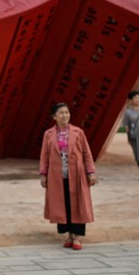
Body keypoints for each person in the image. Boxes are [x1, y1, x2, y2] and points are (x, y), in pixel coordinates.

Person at [40, 103, 98, 250]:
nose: (65, 115)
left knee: (78, 204)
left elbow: (86, 153)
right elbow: (44, 156)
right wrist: (43, 174)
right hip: (57, 177)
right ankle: (69, 235)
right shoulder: (48, 134)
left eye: (67, 112)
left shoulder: (78, 132)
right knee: (63, 204)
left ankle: (77, 237)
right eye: (61, 113)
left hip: (77, 174)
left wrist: (91, 172)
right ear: (54, 117)